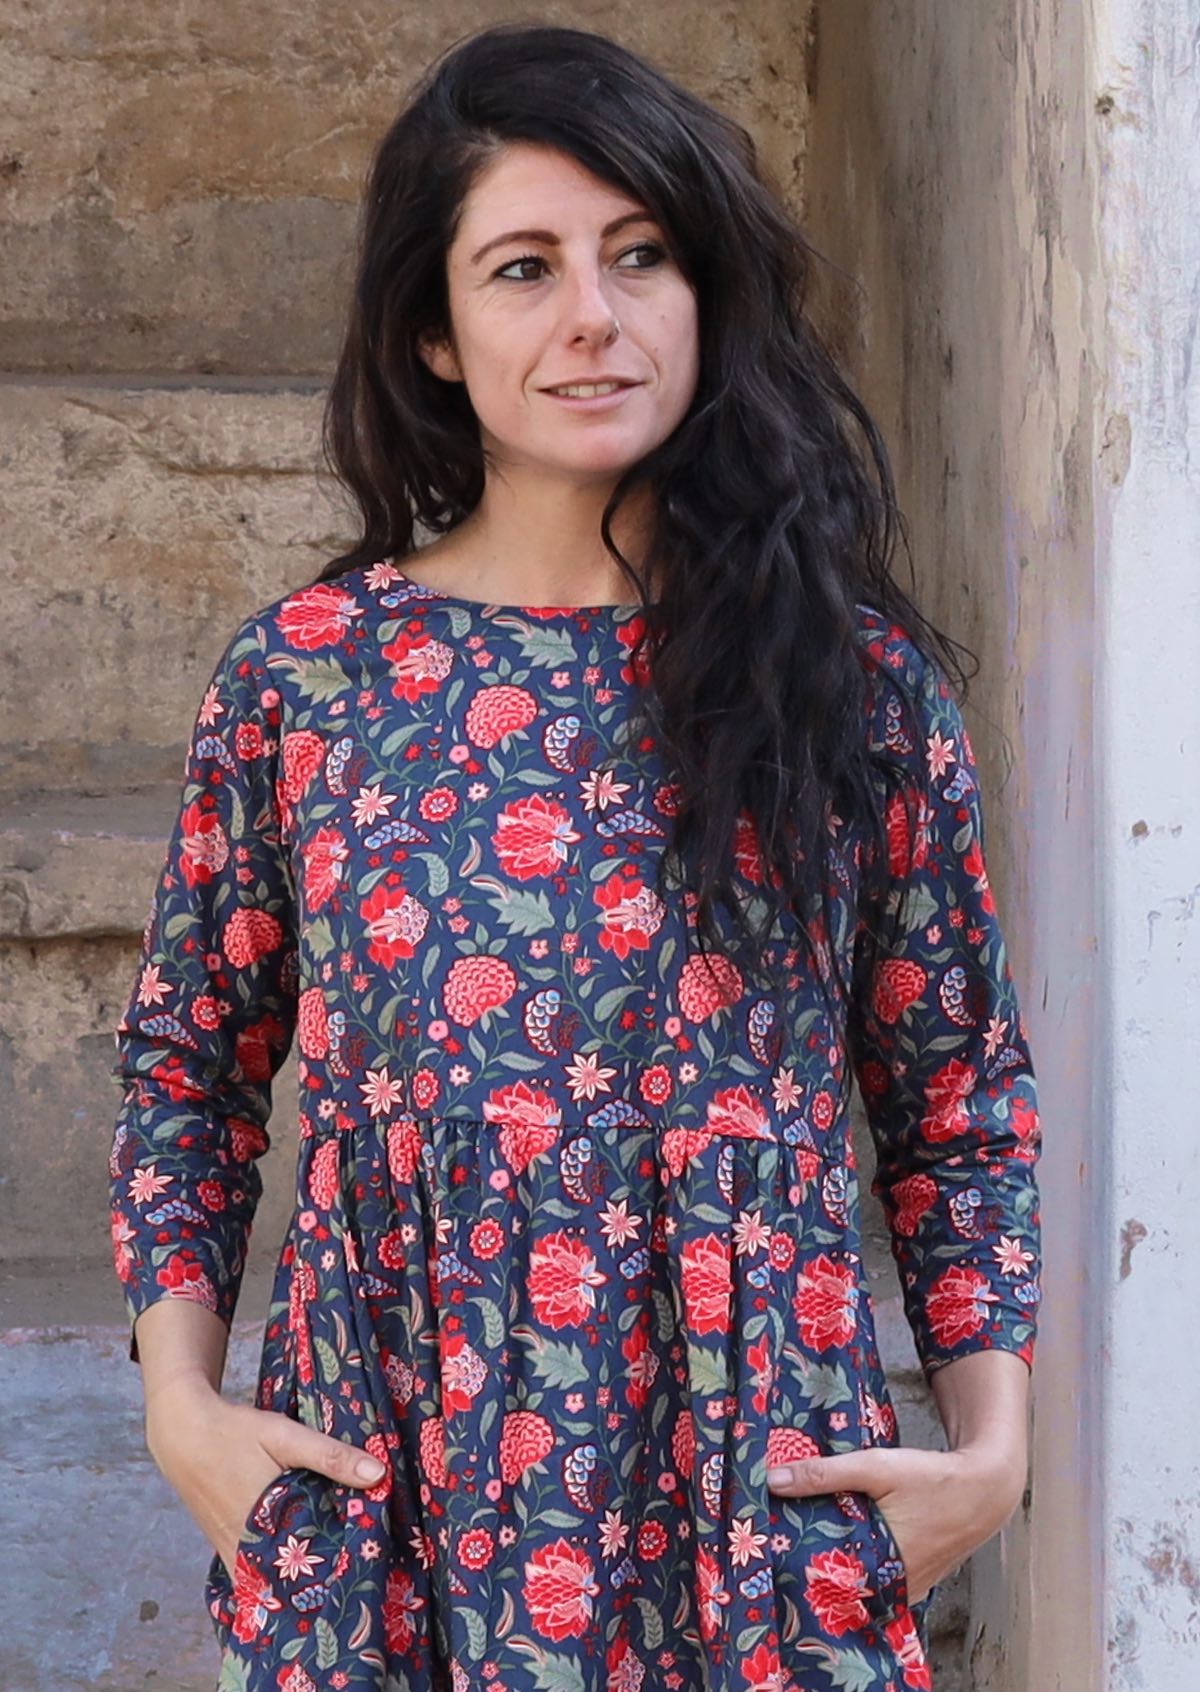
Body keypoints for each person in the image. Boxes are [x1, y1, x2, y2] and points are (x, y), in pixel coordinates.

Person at [107, 23, 1042, 1692]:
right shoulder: (310, 679)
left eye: (641, 256)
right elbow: (189, 1069)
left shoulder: (848, 676)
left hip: (758, 1534)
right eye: (523, 268)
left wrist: (989, 1458)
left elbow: (957, 1092)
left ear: (707, 293)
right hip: (398, 1527)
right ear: (435, 336)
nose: (593, 318)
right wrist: (185, 1410)